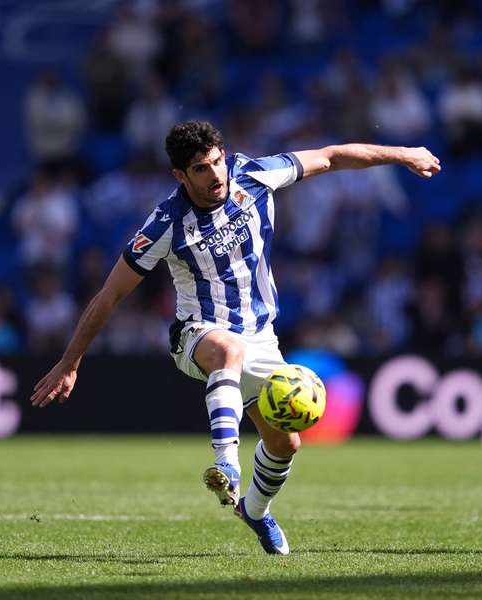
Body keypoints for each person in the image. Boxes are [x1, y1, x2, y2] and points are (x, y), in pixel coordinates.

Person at [31, 120, 441, 555]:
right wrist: (70, 362)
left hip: (261, 337)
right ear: (180, 176)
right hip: (197, 334)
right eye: (201, 169)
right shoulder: (164, 225)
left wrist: (403, 152)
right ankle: (226, 463)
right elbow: (108, 297)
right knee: (228, 349)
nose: (215, 175)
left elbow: (331, 155)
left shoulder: (253, 176)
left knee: (286, 443)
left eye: (216, 162)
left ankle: (255, 511)